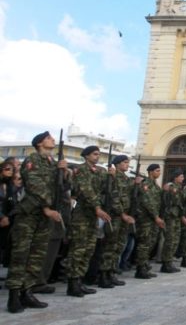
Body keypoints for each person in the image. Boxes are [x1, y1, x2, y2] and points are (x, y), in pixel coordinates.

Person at [6, 132, 67, 313]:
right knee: (21, 255)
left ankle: (27, 291)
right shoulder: (32, 160)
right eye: (49, 138)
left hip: (44, 217)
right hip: (30, 214)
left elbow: (61, 188)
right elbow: (35, 185)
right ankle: (14, 295)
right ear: (40, 143)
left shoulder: (52, 163)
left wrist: (63, 171)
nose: (53, 141)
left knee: (37, 256)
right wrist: (47, 207)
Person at [65, 145, 111, 296]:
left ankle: (80, 280)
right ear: (86, 156)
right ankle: (72, 283)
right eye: (94, 154)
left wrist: (111, 176)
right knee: (78, 249)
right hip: (82, 214)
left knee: (89, 249)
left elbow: (105, 188)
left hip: (93, 216)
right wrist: (97, 208)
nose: (97, 157)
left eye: (98, 154)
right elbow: (86, 190)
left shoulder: (99, 171)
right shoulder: (81, 170)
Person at [99, 154, 134, 288]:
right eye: (125, 162)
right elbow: (113, 196)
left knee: (118, 246)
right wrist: (122, 213)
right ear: (118, 164)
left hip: (124, 216)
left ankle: (111, 273)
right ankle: (103, 275)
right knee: (110, 246)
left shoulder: (126, 178)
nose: (127, 165)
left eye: (127, 162)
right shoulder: (112, 177)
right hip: (115, 216)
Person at [134, 164, 164, 278]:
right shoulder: (146, 184)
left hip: (153, 219)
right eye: (157, 171)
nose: (159, 173)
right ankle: (140, 269)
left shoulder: (155, 186)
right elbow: (147, 202)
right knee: (144, 244)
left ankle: (145, 265)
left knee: (150, 243)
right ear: (150, 172)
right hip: (146, 219)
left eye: (159, 171)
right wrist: (156, 216)